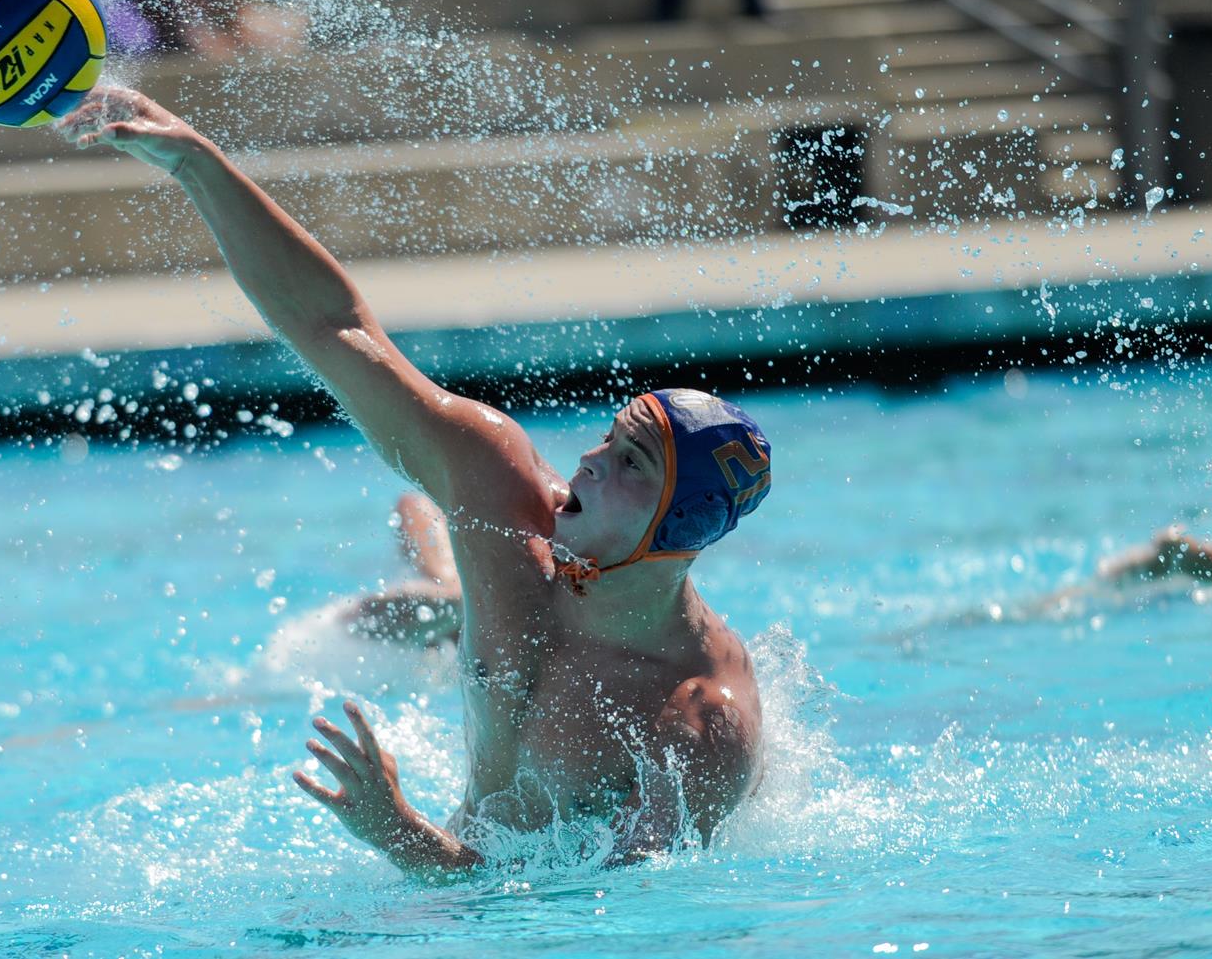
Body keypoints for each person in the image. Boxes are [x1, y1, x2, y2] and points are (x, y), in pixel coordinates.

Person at [57, 86, 774, 877]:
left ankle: (438, 577)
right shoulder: (499, 490)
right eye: (607, 436)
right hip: (468, 849)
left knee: (450, 608)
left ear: (678, 532)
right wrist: (195, 161)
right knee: (446, 602)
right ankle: (439, 576)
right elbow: (336, 327)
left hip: (501, 910)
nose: (590, 460)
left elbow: (592, 920)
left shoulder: (695, 728)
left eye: (632, 461)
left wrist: (397, 830)